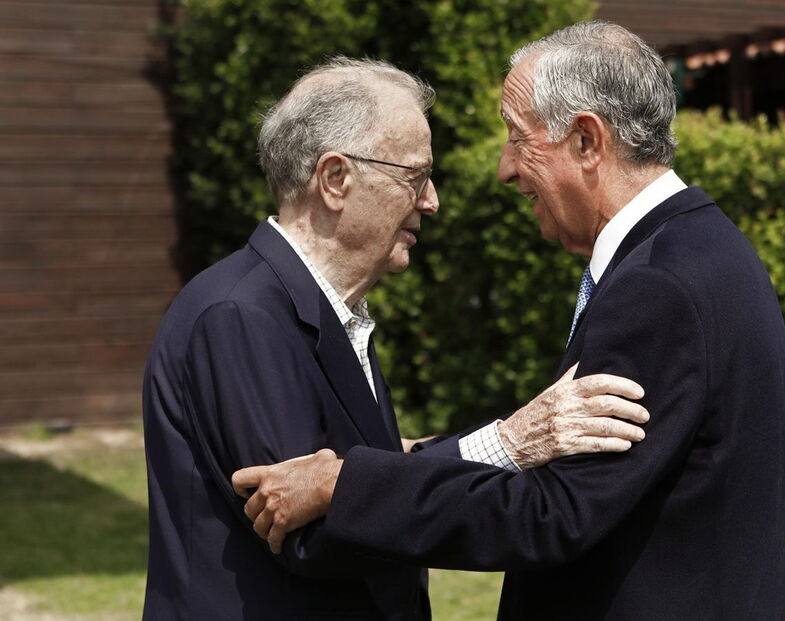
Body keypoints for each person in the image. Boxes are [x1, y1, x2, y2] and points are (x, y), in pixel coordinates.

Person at [234, 20, 785, 620]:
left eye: (517, 138)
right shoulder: (705, 248)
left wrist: (343, 486)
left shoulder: (658, 286)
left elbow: (550, 516)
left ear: (586, 141)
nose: (503, 169)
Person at [142, 57, 649, 620]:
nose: (432, 200)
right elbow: (309, 530)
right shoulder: (240, 314)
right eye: (414, 176)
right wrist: (506, 445)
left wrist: (506, 442)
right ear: (336, 179)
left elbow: (364, 470)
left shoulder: (329, 309)